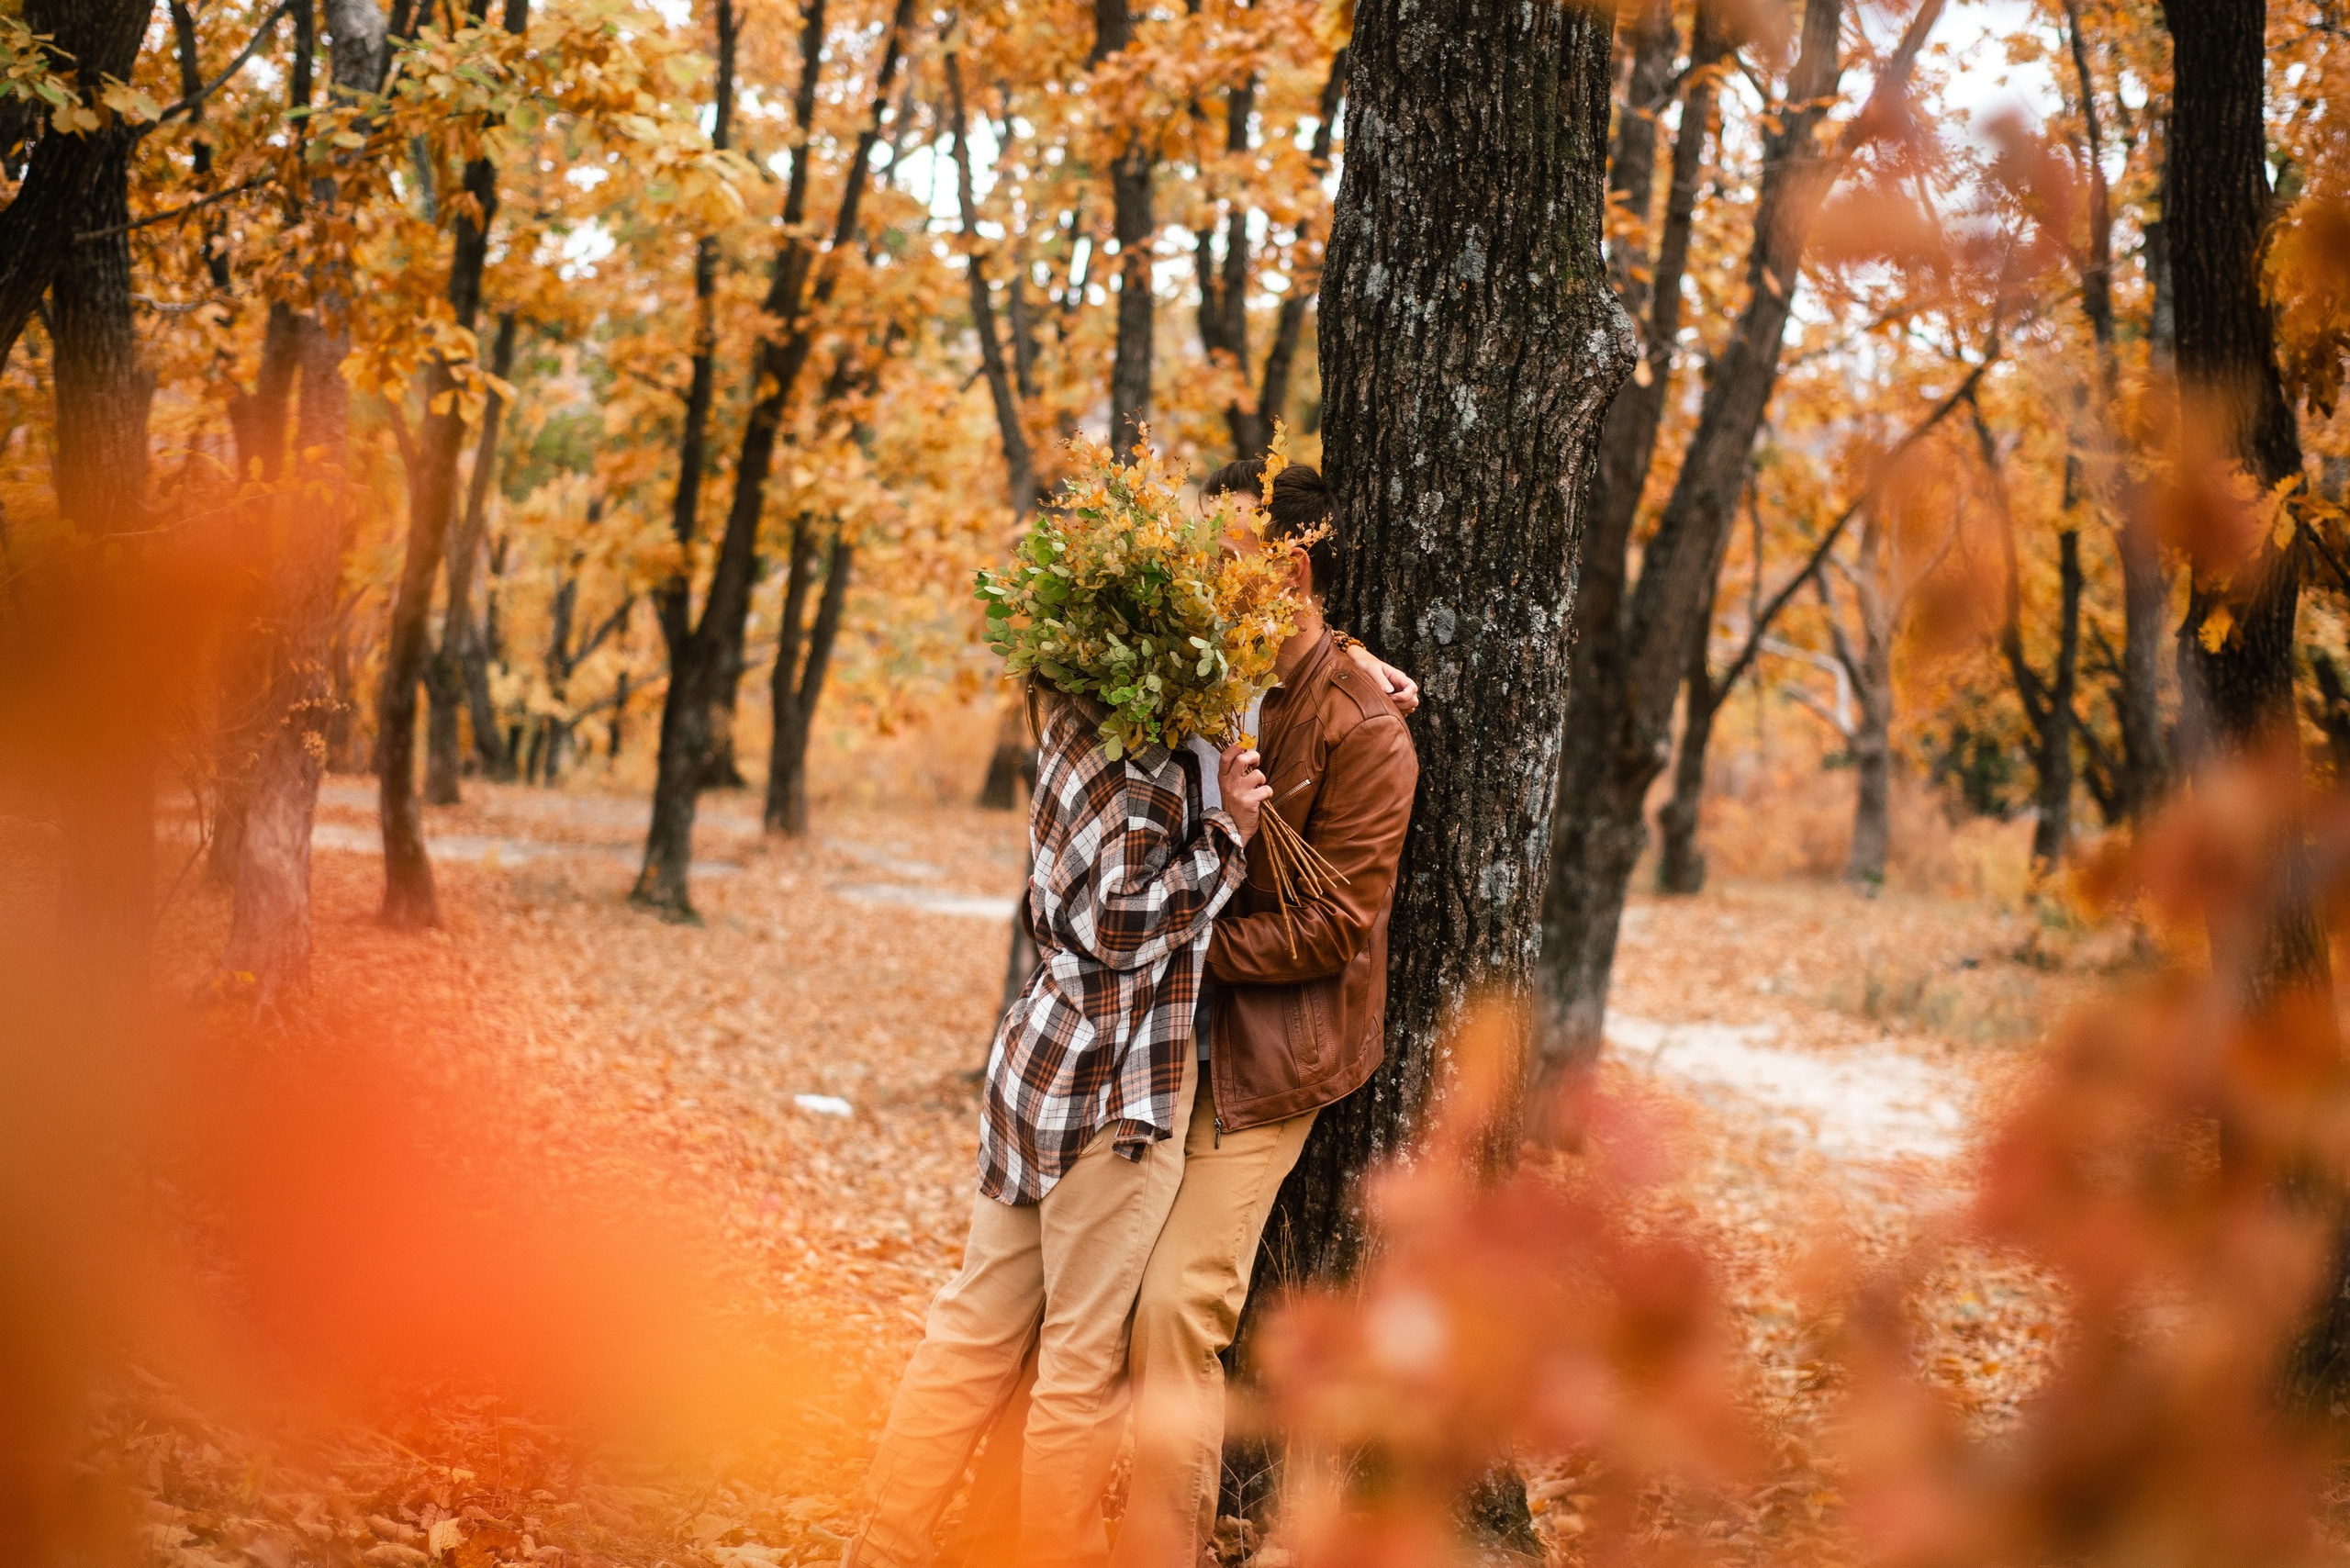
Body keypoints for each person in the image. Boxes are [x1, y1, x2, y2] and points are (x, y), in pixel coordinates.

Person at [846, 681, 1273, 1568]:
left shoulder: (1076, 724)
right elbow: (1116, 923)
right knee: (1078, 1370)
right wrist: (1228, 834)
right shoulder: (1149, 761)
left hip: (1039, 1058)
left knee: (971, 1333)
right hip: (1116, 1088)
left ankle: (879, 1548)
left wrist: (1358, 655)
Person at [1113, 458, 1420, 1568]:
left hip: (1267, 1055)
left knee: (1174, 1308)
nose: (1203, 578)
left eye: (1224, 560)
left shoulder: (1366, 729)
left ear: (1288, 567)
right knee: (1082, 1290)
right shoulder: (1214, 669)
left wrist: (1183, 947)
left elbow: (1336, 926)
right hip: (1160, 1038)